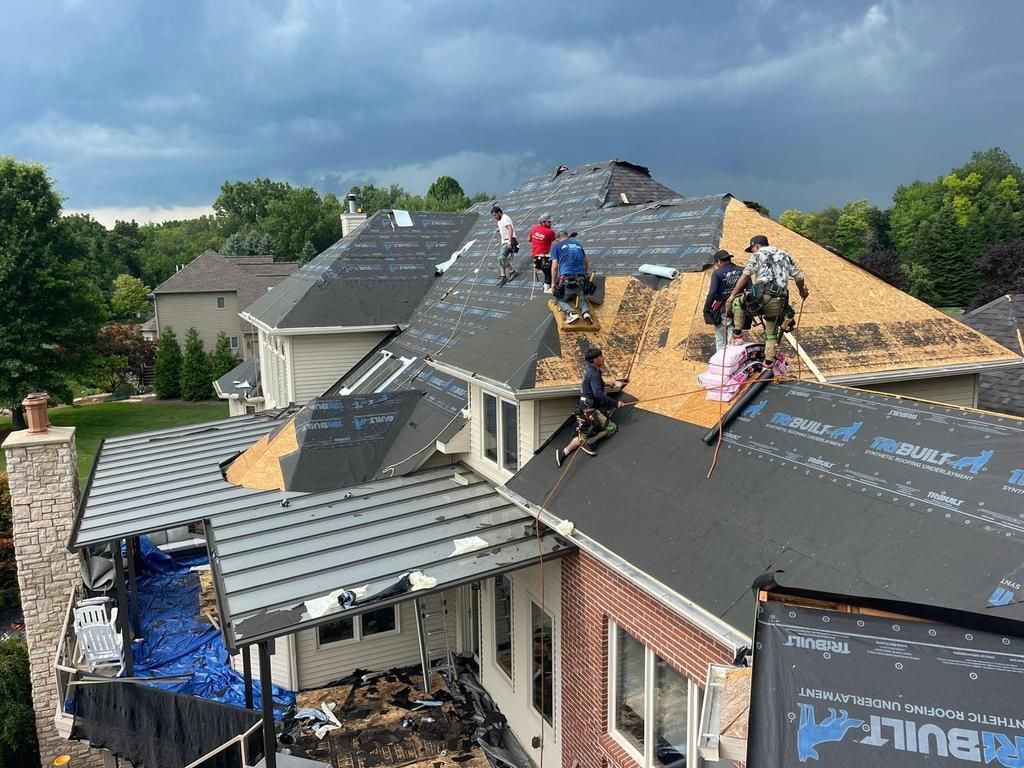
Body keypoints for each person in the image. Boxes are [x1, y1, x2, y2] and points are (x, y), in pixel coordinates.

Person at [726, 235, 809, 368]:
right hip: (779, 300)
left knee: (738, 302)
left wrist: (732, 296)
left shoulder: (758, 255)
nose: (753, 251)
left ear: (756, 246)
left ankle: (737, 335)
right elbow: (799, 277)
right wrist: (802, 292)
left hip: (760, 297)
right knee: (771, 333)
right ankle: (768, 363)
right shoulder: (785, 255)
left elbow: (745, 275)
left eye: (752, 249)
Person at [555, 348, 623, 465]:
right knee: (611, 427)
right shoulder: (595, 374)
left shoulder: (589, 370)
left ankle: (564, 452)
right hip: (591, 410)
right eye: (600, 356)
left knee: (583, 434)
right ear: (595, 359)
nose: (603, 358)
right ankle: (590, 442)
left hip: (583, 407)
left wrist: (605, 384)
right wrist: (615, 403)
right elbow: (598, 394)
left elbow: (590, 384)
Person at [704, 249, 743, 352]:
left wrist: (706, 310)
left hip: (722, 309)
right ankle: (733, 360)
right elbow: (749, 290)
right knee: (734, 341)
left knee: (720, 340)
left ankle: (721, 360)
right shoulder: (742, 271)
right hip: (739, 310)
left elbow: (712, 293)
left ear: (719, 261)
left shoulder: (717, 273)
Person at [550, 231, 592, 324]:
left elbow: (555, 266)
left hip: (566, 277)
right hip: (580, 276)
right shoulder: (578, 245)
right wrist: (585, 275)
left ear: (557, 239)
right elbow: (585, 263)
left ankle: (571, 313)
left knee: (559, 299)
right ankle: (586, 313)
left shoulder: (557, 247)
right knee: (581, 297)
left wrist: (553, 282)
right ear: (567, 236)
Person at [527, 214, 557, 293]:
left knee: (547, 271)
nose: (551, 223)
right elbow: (558, 240)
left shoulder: (534, 228)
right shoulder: (550, 232)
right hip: (543, 258)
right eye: (549, 222)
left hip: (535, 258)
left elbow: (529, 239)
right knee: (551, 270)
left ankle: (547, 286)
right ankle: (547, 288)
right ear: (543, 222)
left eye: (551, 222)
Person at [491, 205, 518, 284]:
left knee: (501, 257)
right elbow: (505, 228)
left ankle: (512, 272)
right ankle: (503, 276)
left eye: (495, 215)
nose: (494, 217)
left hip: (509, 241)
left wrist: (509, 241)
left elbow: (510, 229)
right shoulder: (499, 220)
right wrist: (500, 230)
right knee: (501, 258)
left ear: (499, 212)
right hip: (504, 241)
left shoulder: (504, 218)